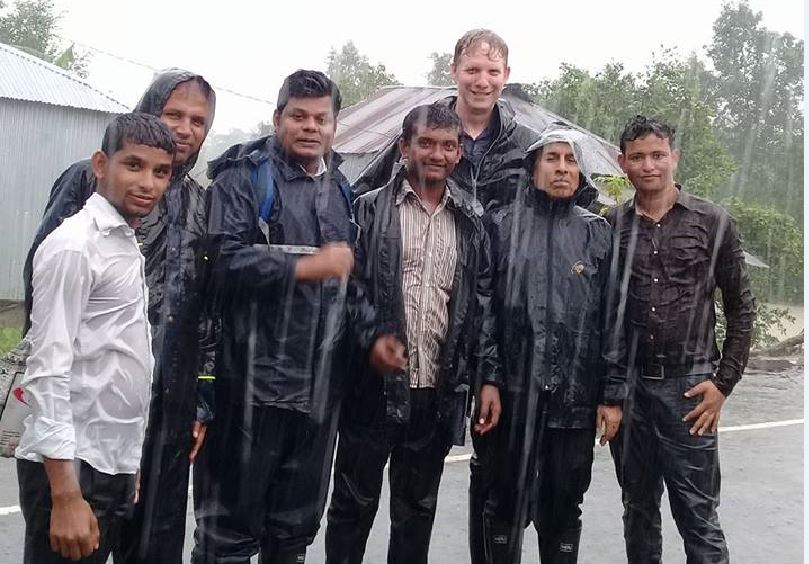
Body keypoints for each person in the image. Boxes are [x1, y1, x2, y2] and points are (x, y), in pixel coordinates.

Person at [192, 69, 398, 564]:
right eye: (298, 116)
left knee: (293, 533)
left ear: (335, 126)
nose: (310, 127)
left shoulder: (339, 190)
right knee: (229, 535)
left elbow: (349, 282)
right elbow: (220, 265)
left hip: (316, 395)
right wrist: (304, 266)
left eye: (320, 118)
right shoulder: (243, 179)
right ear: (277, 117)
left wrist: (373, 338)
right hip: (247, 391)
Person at [20, 69, 217, 564]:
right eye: (174, 114)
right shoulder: (85, 206)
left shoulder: (195, 203)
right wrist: (64, 488)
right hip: (80, 425)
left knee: (152, 546)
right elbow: (48, 336)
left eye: (198, 120)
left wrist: (201, 397)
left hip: (154, 419)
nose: (185, 129)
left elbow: (204, 307)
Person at [324, 103, 502, 564]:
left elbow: (481, 304)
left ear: (460, 152)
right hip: (372, 389)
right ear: (404, 148)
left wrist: (487, 378)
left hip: (436, 391)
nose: (437, 154)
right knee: (352, 507)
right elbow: (348, 290)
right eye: (426, 143)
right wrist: (371, 338)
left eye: (447, 145)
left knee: (416, 512)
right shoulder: (368, 210)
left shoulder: (472, 220)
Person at [607, 115, 756, 564]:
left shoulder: (712, 222)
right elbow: (604, 315)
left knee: (698, 514)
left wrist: (723, 383)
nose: (649, 165)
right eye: (638, 157)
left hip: (689, 389)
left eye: (658, 155)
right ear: (622, 163)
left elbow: (741, 307)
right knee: (637, 510)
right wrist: (609, 392)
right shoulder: (611, 226)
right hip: (631, 389)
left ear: (674, 157)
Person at [480, 124, 626, 563]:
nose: (562, 168)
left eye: (571, 160)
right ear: (532, 167)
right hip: (513, 395)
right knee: (504, 501)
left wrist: (612, 394)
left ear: (580, 172)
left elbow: (613, 318)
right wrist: (488, 378)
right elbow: (485, 309)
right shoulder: (502, 226)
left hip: (575, 399)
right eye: (552, 158)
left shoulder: (596, 232)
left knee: (564, 504)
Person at [353, 29, 539, 212]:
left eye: (493, 72)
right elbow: (359, 194)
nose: (483, 82)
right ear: (454, 70)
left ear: (506, 75)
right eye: (472, 70)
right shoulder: (421, 132)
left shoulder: (528, 146)